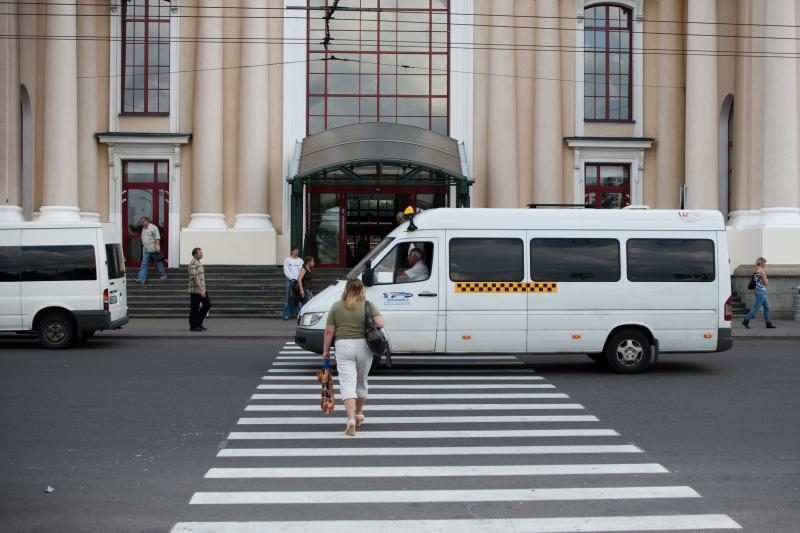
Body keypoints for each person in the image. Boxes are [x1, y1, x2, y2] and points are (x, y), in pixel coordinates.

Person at [322, 279, 384, 436]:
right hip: (364, 346)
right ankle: (359, 414)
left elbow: (329, 331)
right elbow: (381, 323)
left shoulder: (336, 306)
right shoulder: (368, 305)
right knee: (361, 381)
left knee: (347, 383)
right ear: (362, 290)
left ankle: (350, 419)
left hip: (343, 346)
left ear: (346, 289)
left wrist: (325, 351)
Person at [743, 256, 776, 329]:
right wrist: (766, 278)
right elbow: (766, 283)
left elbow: (757, 282)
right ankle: (746, 320)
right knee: (755, 308)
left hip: (759, 291)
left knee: (767, 308)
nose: (765, 264)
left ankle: (768, 323)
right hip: (760, 292)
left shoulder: (757, 270)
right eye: (765, 262)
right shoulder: (761, 272)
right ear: (762, 263)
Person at [136, 216, 167, 284]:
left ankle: (163, 275)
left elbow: (157, 238)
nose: (142, 223)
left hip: (154, 250)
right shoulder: (143, 229)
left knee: (158, 263)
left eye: (143, 222)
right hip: (146, 250)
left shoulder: (153, 227)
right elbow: (143, 239)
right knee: (144, 264)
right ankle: (141, 279)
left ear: (147, 221)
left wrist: (157, 247)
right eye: (141, 222)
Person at [188, 247, 211, 332]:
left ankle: (198, 323)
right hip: (195, 290)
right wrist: (201, 290)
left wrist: (203, 289)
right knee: (195, 308)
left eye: (202, 252)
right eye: (200, 253)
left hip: (202, 289)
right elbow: (195, 278)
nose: (202, 254)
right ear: (195, 254)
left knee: (207, 305)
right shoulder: (193, 263)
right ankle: (193, 326)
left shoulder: (198, 262)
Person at [282, 246, 304, 320]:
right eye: (295, 251)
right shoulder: (287, 260)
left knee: (298, 297)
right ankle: (286, 314)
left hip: (298, 280)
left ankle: (299, 314)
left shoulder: (300, 260)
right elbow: (286, 270)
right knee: (287, 297)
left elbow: (302, 270)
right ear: (292, 251)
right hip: (289, 280)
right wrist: (292, 278)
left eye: (298, 251)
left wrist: (298, 278)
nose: (297, 252)